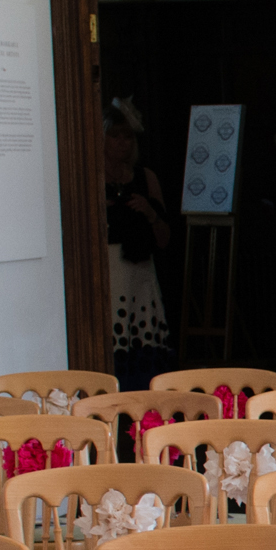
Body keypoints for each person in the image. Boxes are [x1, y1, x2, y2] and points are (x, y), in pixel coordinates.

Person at [104, 95, 174, 389]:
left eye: (128, 137)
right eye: (116, 136)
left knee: (146, 351)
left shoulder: (146, 178)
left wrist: (149, 212)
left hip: (142, 275)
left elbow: (166, 239)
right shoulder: (92, 179)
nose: (123, 143)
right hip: (111, 273)